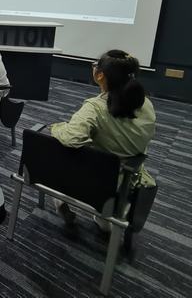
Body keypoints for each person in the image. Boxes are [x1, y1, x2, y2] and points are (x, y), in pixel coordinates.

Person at [50, 49, 156, 226]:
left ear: (100, 75)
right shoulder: (146, 104)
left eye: (95, 65)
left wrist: (57, 127)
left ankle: (61, 199)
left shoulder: (95, 108)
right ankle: (105, 220)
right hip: (130, 178)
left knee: (58, 149)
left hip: (98, 179)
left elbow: (71, 139)